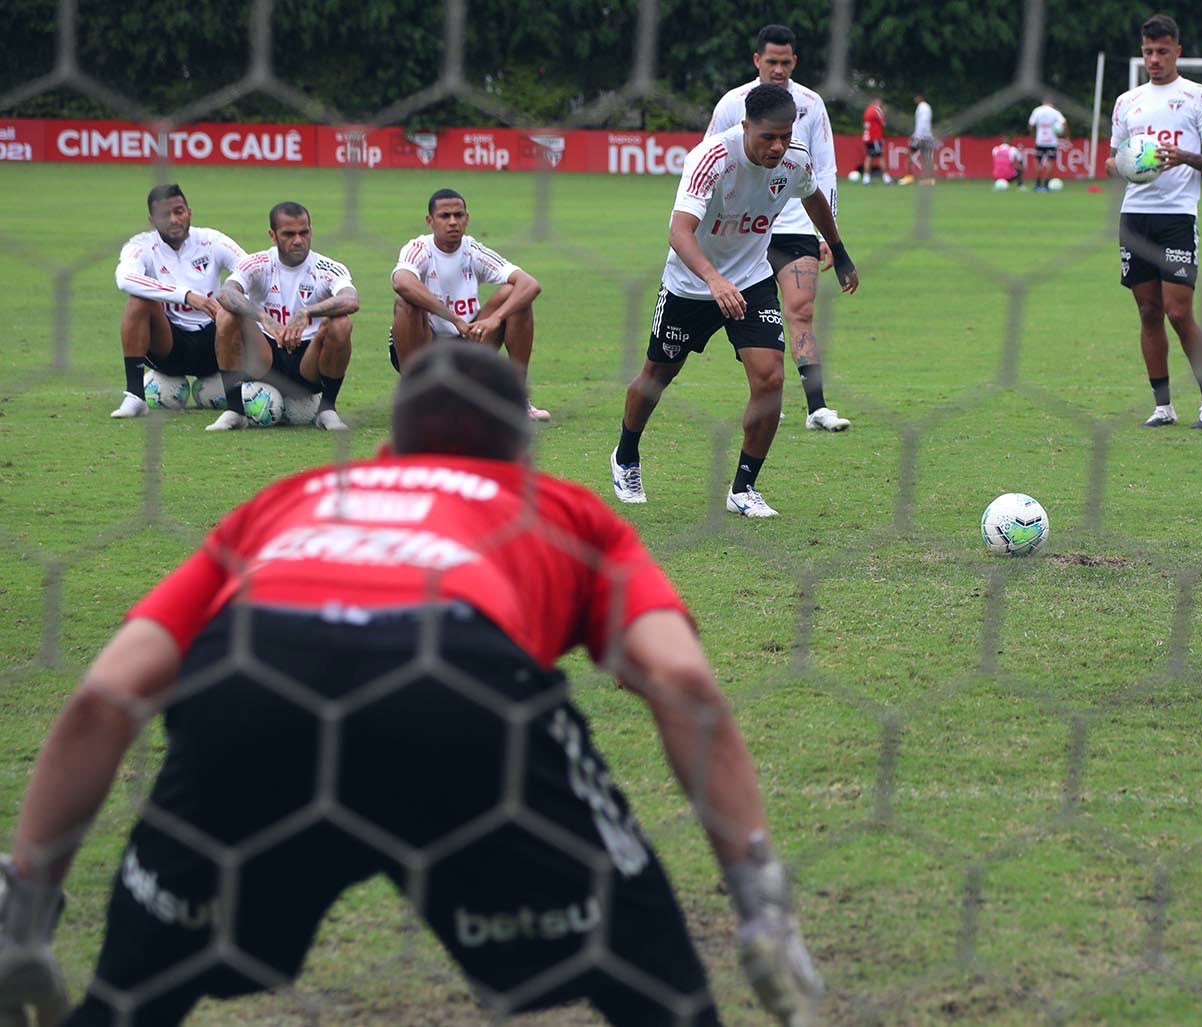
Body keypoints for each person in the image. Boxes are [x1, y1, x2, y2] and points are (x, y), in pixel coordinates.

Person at [0, 342, 824, 1027]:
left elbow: (104, 695)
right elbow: (681, 677)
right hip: (455, 694)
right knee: (662, 999)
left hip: (255, 684)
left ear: (390, 445)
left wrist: (29, 905)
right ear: (519, 451)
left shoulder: (298, 497)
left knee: (124, 1004)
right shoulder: (559, 507)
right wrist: (760, 900)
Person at [610, 85, 858, 518]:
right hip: (690, 283)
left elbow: (813, 195)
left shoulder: (794, 157)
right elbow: (679, 231)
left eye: (784, 136)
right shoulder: (711, 158)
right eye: (767, 137)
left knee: (770, 379)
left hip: (751, 280)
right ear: (745, 127)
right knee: (657, 375)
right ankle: (626, 455)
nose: (777, 147)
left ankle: (743, 488)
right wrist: (713, 280)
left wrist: (838, 250)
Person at [707, 24, 851, 433]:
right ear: (757, 60)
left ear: (795, 62)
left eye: (786, 62)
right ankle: (767, 395)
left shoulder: (811, 103)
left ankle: (817, 407)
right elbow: (708, 159)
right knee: (748, 316)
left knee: (801, 310)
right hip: (745, 228)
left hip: (796, 224)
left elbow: (825, 170)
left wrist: (828, 234)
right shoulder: (734, 103)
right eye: (771, 61)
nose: (779, 69)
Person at [1107, 13, 1202, 429]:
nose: (1154, 59)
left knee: (1179, 313)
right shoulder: (1128, 102)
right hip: (1134, 216)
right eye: (1148, 52)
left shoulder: (1199, 96)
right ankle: (1163, 407)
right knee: (1148, 312)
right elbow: (1111, 159)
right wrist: (1123, 164)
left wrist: (1183, 157)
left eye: (1162, 51)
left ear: (1177, 49)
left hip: (1177, 216)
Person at [388, 188, 548, 420]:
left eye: (458, 215)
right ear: (430, 221)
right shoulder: (418, 249)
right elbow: (401, 282)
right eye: (445, 216)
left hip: (469, 342)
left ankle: (518, 398)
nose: (453, 222)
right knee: (405, 302)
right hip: (425, 345)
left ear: (467, 219)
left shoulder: (473, 250)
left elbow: (530, 283)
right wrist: (454, 319)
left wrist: (496, 318)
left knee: (517, 296)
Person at [210, 202, 355, 431]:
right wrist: (265, 319)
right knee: (226, 315)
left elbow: (350, 299)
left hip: (311, 361)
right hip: (266, 358)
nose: (298, 240)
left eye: (304, 232)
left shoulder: (328, 268)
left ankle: (327, 410)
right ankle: (235, 410)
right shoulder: (257, 264)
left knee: (342, 323)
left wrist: (306, 312)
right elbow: (226, 293)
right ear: (272, 235)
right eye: (289, 234)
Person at [111, 185, 245, 418]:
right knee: (138, 301)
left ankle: (252, 390)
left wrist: (228, 296)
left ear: (189, 213)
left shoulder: (212, 240)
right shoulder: (140, 245)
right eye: (165, 214)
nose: (174, 219)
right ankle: (135, 396)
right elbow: (124, 279)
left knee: (235, 308)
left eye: (179, 211)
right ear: (152, 220)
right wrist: (186, 295)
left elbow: (249, 270)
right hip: (169, 345)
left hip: (215, 340)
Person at [1027, 97, 1067, 191]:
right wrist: (1064, 135)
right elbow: (1064, 123)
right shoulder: (1055, 111)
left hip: (1040, 141)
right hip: (1051, 141)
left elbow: (1031, 125)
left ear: (1043, 102)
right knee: (1050, 162)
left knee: (1038, 162)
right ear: (1051, 102)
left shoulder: (1037, 111)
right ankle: (1046, 185)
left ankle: (1037, 184)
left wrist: (1032, 135)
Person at [900, 94, 935, 185]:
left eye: (916, 97)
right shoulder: (927, 107)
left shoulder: (922, 107)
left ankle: (909, 177)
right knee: (926, 158)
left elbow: (922, 123)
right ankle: (929, 179)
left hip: (921, 137)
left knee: (910, 155)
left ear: (920, 98)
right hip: (926, 136)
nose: (915, 99)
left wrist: (917, 136)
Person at [861, 95, 891, 184]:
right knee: (880, 156)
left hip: (867, 137)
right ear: (878, 101)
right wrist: (884, 113)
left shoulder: (867, 110)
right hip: (875, 137)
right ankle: (886, 178)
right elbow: (883, 124)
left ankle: (866, 178)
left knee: (869, 157)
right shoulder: (876, 109)